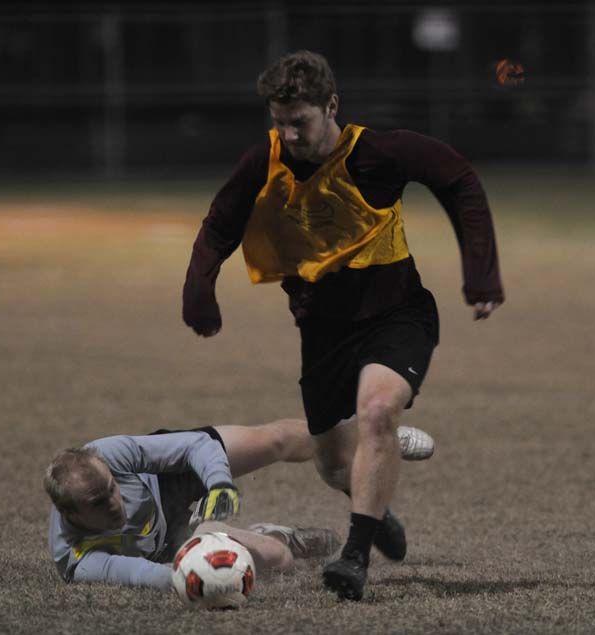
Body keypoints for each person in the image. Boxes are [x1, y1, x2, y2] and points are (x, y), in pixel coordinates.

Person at [182, 50, 504, 601]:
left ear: (331, 106)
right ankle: (376, 511)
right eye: (278, 122)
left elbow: (459, 179)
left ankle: (354, 556)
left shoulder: (380, 152)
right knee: (333, 464)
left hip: (397, 313)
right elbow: (219, 225)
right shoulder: (266, 160)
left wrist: (480, 271)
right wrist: (200, 293)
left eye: (299, 122)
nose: (288, 133)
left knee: (377, 410)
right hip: (322, 329)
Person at [44, 418, 433, 589]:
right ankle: (268, 535)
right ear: (72, 513)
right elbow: (142, 575)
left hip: (173, 479)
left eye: (113, 488)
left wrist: (218, 484)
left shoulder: (109, 453)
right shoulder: (79, 558)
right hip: (175, 544)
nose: (115, 502)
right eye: (99, 501)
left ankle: (376, 437)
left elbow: (196, 445)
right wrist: (197, 579)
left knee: (278, 439)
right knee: (279, 559)